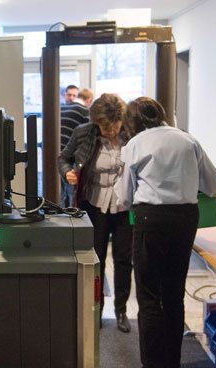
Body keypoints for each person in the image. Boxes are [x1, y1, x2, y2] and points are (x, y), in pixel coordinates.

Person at [114, 97, 216, 368]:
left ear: (133, 122)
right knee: (174, 293)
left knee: (149, 295)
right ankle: (173, 367)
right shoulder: (188, 141)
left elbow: (124, 195)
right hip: (185, 219)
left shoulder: (136, 145)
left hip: (150, 219)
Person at [57, 93, 133, 332]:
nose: (109, 132)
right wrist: (67, 172)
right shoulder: (84, 132)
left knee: (123, 260)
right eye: (104, 128)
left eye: (114, 127)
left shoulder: (132, 135)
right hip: (94, 204)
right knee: (95, 259)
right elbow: (63, 157)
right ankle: (95, 310)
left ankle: (121, 311)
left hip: (123, 206)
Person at [60, 85, 90, 207]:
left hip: (57, 154)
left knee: (60, 193)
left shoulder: (60, 108)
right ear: (89, 101)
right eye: (69, 94)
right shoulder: (84, 111)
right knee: (73, 192)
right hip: (71, 155)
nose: (71, 98)